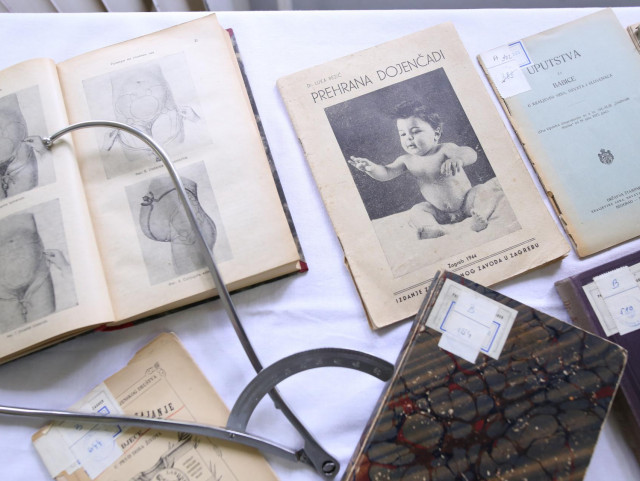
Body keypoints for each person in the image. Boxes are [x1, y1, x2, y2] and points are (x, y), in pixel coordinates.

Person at [348, 100, 504, 239]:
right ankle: (431, 228)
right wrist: (371, 168)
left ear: (436, 133)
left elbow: (469, 152)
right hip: (439, 213)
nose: (408, 138)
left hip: (467, 203)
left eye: (415, 132)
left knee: (482, 190)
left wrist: (458, 159)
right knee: (418, 210)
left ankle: (480, 217)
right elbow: (387, 173)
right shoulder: (406, 160)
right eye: (403, 134)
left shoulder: (444, 149)